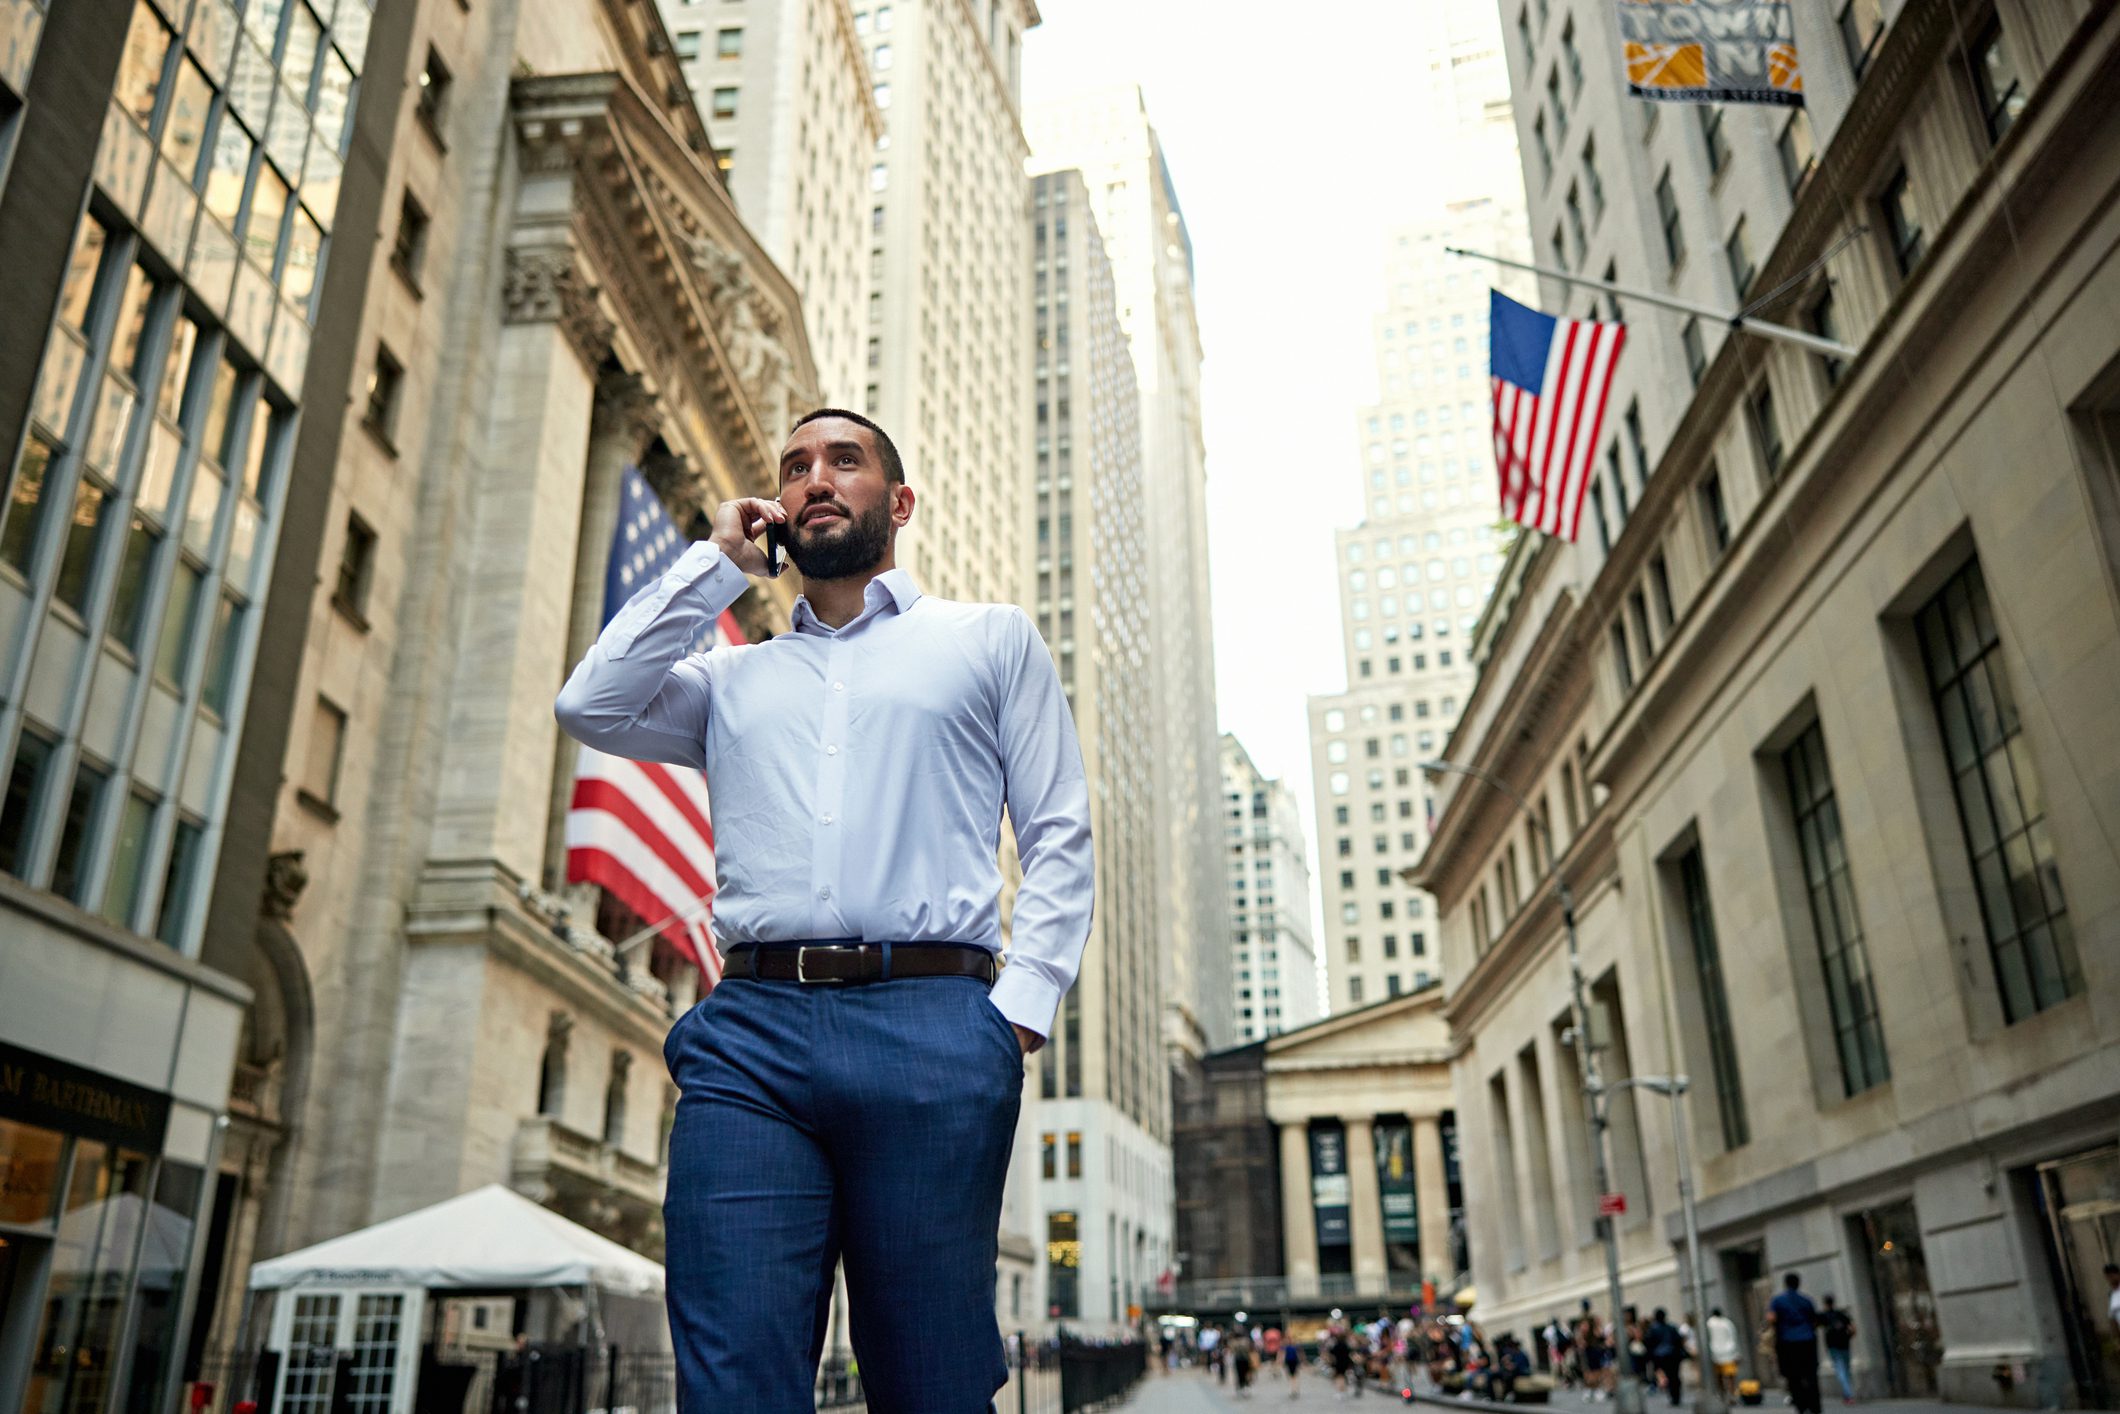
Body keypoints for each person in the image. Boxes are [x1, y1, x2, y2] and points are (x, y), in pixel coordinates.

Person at [556, 409, 1093, 1414]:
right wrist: (715, 562)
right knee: (730, 1382)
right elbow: (592, 702)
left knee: (928, 1382)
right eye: (794, 465)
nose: (814, 477)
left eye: (843, 460)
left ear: (897, 503)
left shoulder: (986, 641)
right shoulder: (729, 679)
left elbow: (1059, 832)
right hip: (751, 1037)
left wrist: (1013, 1014)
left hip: (935, 1029)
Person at [1769, 1272, 1824, 1414]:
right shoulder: (1806, 1300)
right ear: (1798, 1283)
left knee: (1793, 1376)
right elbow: (1815, 1320)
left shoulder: (1778, 1301)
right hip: (1807, 1341)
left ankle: (1801, 1405)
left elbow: (1771, 1319)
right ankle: (1815, 1406)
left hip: (1787, 1343)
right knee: (1811, 1375)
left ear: (1786, 1284)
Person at [1820, 1296, 1857, 1403]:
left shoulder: (1824, 1316)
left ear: (1825, 1304)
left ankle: (1848, 1394)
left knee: (1840, 1370)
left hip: (1833, 1346)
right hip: (1845, 1344)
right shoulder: (1841, 1314)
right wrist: (1848, 1337)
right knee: (1846, 1369)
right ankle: (1848, 1393)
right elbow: (1853, 1329)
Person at [1645, 1308, 1685, 1407]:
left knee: (1667, 1375)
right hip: (1673, 1355)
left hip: (1661, 1356)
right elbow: (1678, 1341)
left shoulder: (1653, 1329)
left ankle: (1672, 1394)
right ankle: (1676, 1395)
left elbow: (1649, 1343)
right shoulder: (1671, 1327)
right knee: (1674, 1376)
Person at [1706, 1306, 1742, 1404]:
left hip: (1715, 1353)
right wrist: (1736, 1354)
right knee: (1731, 1377)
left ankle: (1722, 1396)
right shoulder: (1727, 1323)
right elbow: (1733, 1338)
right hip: (1729, 1353)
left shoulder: (1709, 1323)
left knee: (1719, 1376)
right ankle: (1732, 1396)